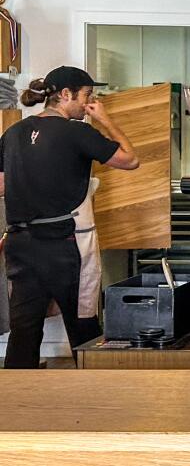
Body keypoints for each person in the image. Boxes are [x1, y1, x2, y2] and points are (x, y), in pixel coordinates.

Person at [1, 66, 139, 368]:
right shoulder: (79, 132)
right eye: (87, 96)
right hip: (67, 245)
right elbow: (131, 160)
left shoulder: (12, 134)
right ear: (66, 95)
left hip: (20, 244)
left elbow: (1, 186)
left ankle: (13, 407)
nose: (89, 104)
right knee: (84, 325)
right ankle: (95, 400)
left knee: (23, 331)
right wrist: (105, 119)